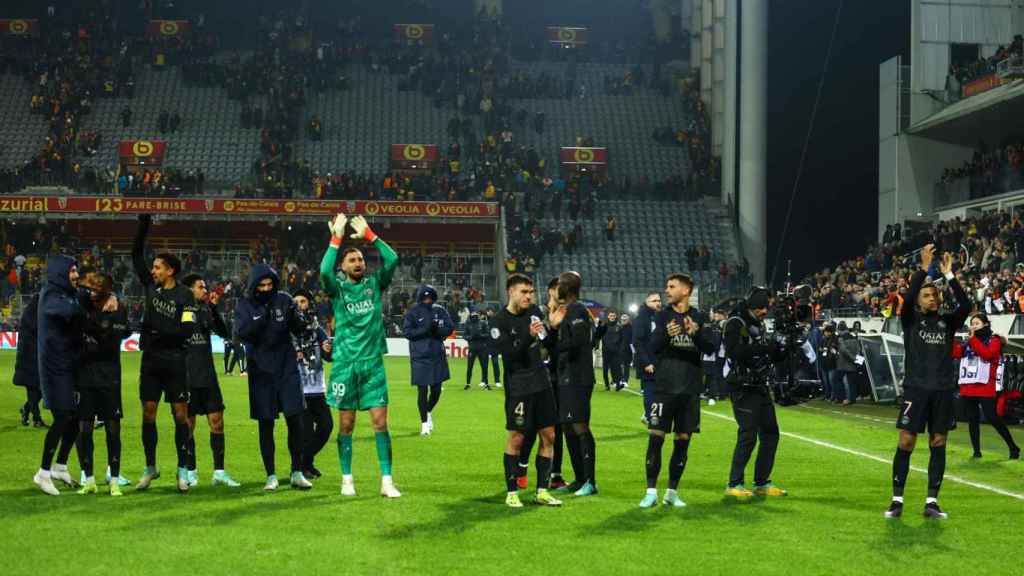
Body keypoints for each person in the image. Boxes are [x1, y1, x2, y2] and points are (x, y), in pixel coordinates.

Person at [885, 245, 970, 520]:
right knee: (907, 442)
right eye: (926, 295)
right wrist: (923, 271)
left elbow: (966, 306)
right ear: (919, 300)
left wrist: (949, 275)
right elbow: (907, 298)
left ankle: (931, 502)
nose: (932, 298)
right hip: (916, 390)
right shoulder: (910, 319)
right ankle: (897, 500)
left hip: (943, 392)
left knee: (938, 442)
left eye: (934, 294)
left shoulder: (948, 321)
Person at [320, 213, 401, 498]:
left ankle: (387, 480)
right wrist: (336, 238)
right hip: (344, 365)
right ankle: (346, 478)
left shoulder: (375, 284)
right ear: (343, 266)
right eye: (352, 260)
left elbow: (392, 259)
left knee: (380, 423)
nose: (358, 263)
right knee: (346, 424)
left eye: (360, 260)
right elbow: (323, 271)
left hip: (372, 365)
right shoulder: (336, 288)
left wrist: (369, 235)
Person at [132, 215, 198, 492]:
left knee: (180, 416)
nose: (154, 270)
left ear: (170, 270)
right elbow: (135, 254)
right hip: (151, 362)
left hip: (175, 361)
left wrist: (158, 334)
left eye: (158, 267)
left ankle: (182, 470)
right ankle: (150, 468)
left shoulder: (185, 296)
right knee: (148, 414)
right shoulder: (150, 287)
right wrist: (144, 224)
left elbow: (186, 330)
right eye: (154, 267)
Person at [639, 274, 715, 508]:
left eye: (672, 287)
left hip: (690, 388)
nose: (667, 290)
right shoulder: (662, 316)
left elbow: (711, 347)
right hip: (664, 387)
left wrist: (696, 334)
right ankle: (650, 491)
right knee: (656, 438)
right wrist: (666, 334)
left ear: (686, 290)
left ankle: (672, 492)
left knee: (683, 440)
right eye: (667, 286)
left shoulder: (700, 317)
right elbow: (652, 347)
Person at [235, 263, 313, 491]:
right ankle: (271, 475)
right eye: (262, 285)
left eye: (270, 284)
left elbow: (298, 329)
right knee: (265, 423)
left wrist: (301, 320)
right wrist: (261, 318)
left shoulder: (285, 300)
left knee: (295, 418)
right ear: (254, 286)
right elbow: (242, 332)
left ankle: (297, 471)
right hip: (261, 369)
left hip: (287, 366)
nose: (267, 289)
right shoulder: (245, 304)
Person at [493, 274, 563, 508]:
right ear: (510, 292)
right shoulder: (499, 320)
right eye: (524, 292)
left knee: (549, 436)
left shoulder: (534, 312)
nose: (529, 296)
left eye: (531, 292)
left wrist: (552, 329)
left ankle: (542, 491)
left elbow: (549, 346)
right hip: (519, 386)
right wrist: (527, 336)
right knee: (517, 437)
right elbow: (509, 355)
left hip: (541, 383)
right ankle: (512, 492)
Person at [722, 286, 788, 499]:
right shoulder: (735, 322)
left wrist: (779, 349)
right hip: (742, 385)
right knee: (748, 434)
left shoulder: (756, 323)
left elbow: (767, 353)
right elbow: (734, 351)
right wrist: (764, 349)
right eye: (762, 307)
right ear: (753, 306)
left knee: (771, 433)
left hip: (759, 384)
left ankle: (761, 482)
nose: (765, 312)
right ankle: (734, 484)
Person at [181, 273, 241, 488]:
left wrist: (214, 309)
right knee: (187, 427)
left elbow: (224, 333)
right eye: (200, 287)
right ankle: (191, 472)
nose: (205, 290)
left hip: (207, 377)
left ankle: (219, 472)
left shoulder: (206, 310)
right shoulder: (180, 311)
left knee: (217, 423)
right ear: (189, 290)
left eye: (204, 286)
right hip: (187, 377)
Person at [33, 255, 87, 495]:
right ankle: (43, 473)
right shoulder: (50, 294)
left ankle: (60, 466)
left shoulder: (68, 293)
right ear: (60, 272)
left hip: (68, 364)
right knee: (62, 416)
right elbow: (67, 312)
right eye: (72, 270)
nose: (76, 275)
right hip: (53, 367)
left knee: (75, 416)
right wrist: (84, 303)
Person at [74, 272, 130, 496]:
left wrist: (94, 325)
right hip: (84, 376)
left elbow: (111, 339)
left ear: (107, 288)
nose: (92, 288)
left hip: (109, 376)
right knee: (84, 428)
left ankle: (114, 479)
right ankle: (88, 479)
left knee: (112, 429)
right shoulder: (82, 305)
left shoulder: (118, 308)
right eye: (90, 285)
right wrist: (100, 323)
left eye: (98, 285)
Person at [548, 271, 598, 497]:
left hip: (579, 376)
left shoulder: (577, 310)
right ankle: (579, 479)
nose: (556, 288)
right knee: (568, 426)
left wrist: (556, 332)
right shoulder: (565, 311)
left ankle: (590, 481)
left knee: (580, 425)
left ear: (567, 287)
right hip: (566, 375)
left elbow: (577, 342)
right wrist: (553, 327)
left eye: (559, 284)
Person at [953, 312, 1020, 459]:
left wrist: (972, 340)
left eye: (977, 323)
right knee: (972, 419)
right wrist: (950, 337)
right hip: (969, 386)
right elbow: (956, 353)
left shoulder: (994, 340)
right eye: (972, 323)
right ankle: (976, 451)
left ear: (986, 324)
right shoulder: (968, 341)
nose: (974, 326)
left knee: (993, 418)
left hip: (985, 386)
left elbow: (988, 355)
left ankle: (1013, 446)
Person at [292, 290, 333, 479]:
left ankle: (304, 462)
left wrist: (328, 348)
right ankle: (304, 466)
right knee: (305, 432)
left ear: (309, 304)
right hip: (298, 389)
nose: (300, 304)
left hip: (317, 389)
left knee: (326, 427)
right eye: (296, 302)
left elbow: (328, 355)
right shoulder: (288, 329)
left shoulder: (316, 328)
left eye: (303, 301)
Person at [403, 285, 454, 436]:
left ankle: (429, 410)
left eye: (430, 297)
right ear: (419, 298)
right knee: (422, 390)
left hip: (437, 355)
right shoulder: (412, 312)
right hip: (420, 357)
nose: (427, 300)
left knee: (437, 390)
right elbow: (407, 332)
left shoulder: (440, 310)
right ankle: (424, 423)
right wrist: (425, 329)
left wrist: (438, 330)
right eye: (424, 297)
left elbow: (450, 327)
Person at [14, 293, 46, 427]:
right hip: (29, 357)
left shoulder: (32, 313)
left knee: (42, 387)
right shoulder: (33, 317)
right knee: (35, 387)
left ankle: (26, 409)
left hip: (35, 355)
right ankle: (36, 418)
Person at [633, 292, 662, 423]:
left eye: (659, 300)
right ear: (646, 302)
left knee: (659, 393)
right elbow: (638, 343)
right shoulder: (641, 319)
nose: (658, 303)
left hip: (660, 362)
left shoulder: (660, 317)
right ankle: (651, 418)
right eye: (654, 300)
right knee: (651, 391)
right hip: (648, 363)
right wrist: (646, 363)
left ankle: (648, 415)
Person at [593, 309, 624, 391]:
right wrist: (596, 347)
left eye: (613, 316)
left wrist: (620, 349)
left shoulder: (619, 326)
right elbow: (598, 337)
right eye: (611, 316)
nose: (612, 317)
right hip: (606, 351)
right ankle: (607, 385)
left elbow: (622, 339)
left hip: (616, 351)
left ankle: (617, 385)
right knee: (605, 369)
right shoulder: (603, 326)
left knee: (616, 368)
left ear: (616, 316)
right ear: (608, 316)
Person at [464, 311, 492, 390]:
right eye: (473, 316)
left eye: (475, 316)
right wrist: (471, 337)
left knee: (484, 366)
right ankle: (468, 384)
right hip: (472, 348)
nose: (474, 318)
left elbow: (488, 334)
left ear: (478, 316)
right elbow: (465, 336)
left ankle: (486, 384)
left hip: (482, 348)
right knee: (469, 366)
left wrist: (481, 336)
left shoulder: (483, 323)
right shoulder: (468, 324)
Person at [485, 308, 503, 388]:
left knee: (495, 363)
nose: (488, 312)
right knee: (484, 364)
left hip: (493, 346)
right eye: (488, 311)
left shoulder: (495, 321)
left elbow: (497, 333)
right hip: (485, 345)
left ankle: (497, 380)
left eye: (490, 311)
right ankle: (484, 380)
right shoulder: (484, 320)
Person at [618, 313, 633, 389]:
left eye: (625, 320)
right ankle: (620, 379)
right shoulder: (620, 328)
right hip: (620, 350)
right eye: (622, 320)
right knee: (620, 365)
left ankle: (625, 381)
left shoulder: (632, 328)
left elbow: (632, 341)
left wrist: (633, 351)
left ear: (628, 320)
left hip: (628, 351)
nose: (623, 321)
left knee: (626, 366)